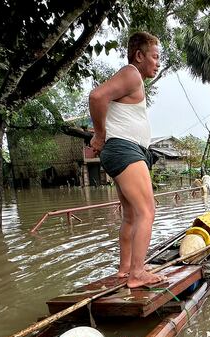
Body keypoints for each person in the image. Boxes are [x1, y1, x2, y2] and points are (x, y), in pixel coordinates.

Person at [89, 31, 165, 288]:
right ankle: (137, 273)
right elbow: (97, 96)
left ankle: (126, 268)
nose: (157, 63)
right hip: (124, 149)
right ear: (139, 55)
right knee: (147, 211)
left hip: (124, 150)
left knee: (131, 215)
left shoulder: (134, 81)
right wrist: (99, 135)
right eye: (155, 57)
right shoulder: (131, 73)